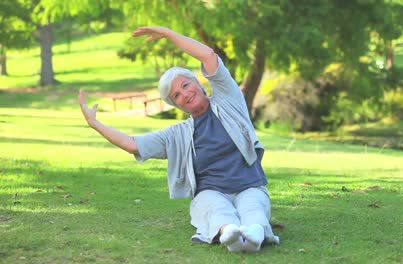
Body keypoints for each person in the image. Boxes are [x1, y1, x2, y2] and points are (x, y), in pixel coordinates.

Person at [78, 26, 279, 253]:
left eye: (185, 85)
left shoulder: (228, 101)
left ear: (198, 83)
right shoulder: (177, 134)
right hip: (211, 192)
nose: (184, 94)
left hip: (249, 185)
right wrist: (95, 124)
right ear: (177, 105)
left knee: (254, 207)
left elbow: (208, 56)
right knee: (216, 209)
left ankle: (254, 233)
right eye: (176, 95)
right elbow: (131, 144)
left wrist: (169, 34)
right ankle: (229, 232)